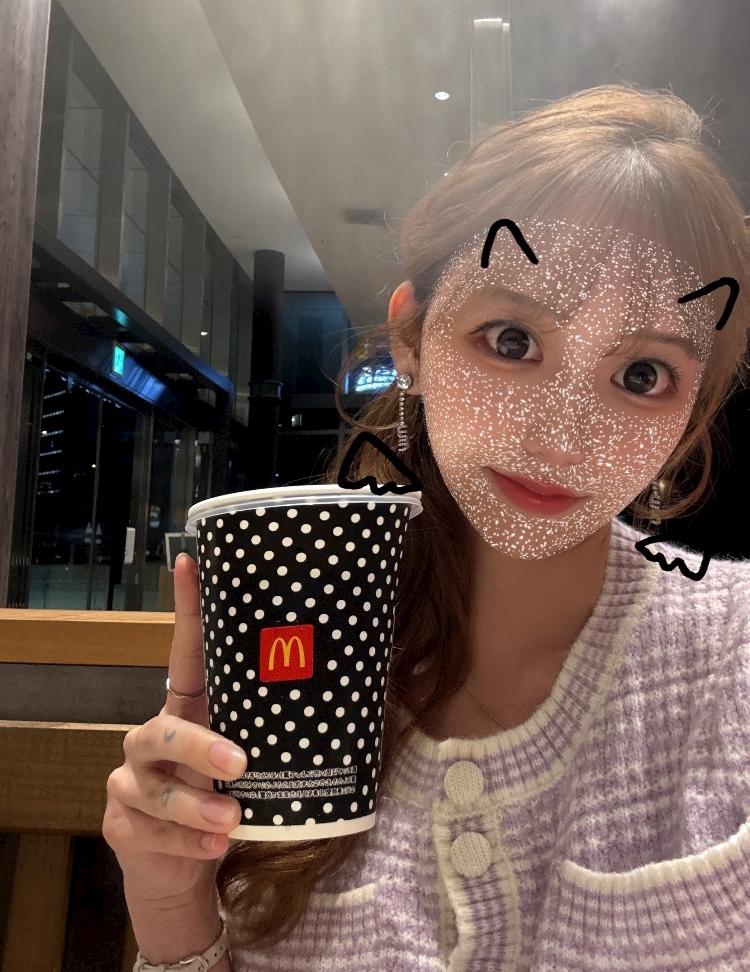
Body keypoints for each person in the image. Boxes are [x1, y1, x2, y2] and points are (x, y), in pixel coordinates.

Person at [104, 83, 750, 971]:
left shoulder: (732, 660)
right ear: (411, 338)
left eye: (643, 374)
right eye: (512, 340)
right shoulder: (303, 650)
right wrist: (174, 907)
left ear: (690, 411)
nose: (561, 438)